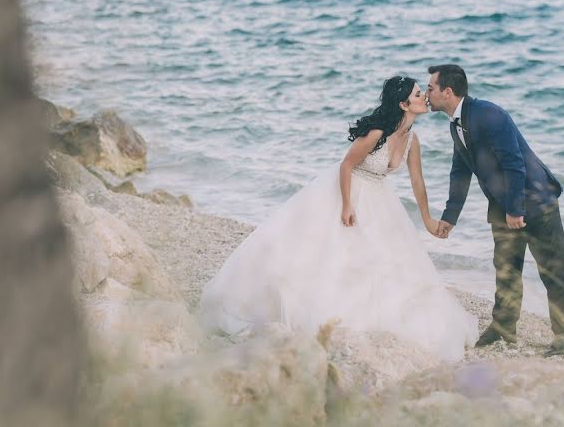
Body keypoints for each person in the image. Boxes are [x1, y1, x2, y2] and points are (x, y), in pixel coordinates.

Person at [199, 76, 478, 361]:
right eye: (419, 94)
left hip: (380, 197)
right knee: (333, 254)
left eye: (423, 93)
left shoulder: (412, 140)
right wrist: (346, 205)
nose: (424, 98)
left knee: (388, 261)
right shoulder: (376, 132)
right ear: (404, 104)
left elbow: (417, 182)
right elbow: (347, 165)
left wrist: (428, 220)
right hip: (348, 188)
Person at [425, 64, 564, 357]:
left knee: (554, 271)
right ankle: (503, 328)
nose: (427, 93)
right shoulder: (456, 124)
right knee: (505, 269)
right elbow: (460, 171)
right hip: (502, 205)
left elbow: (514, 162)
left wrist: (516, 209)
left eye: (430, 88)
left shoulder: (490, 115)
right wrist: (449, 217)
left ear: (447, 91)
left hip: (535, 201)